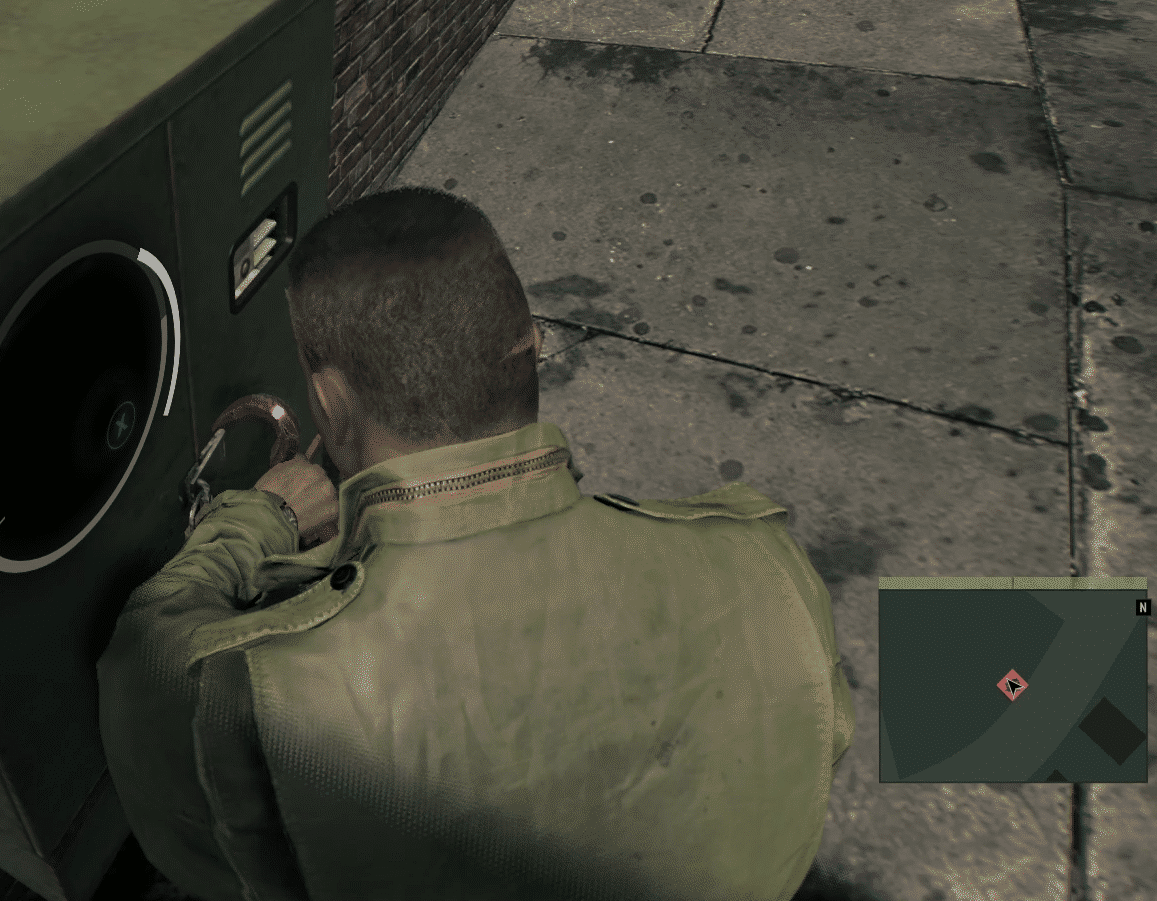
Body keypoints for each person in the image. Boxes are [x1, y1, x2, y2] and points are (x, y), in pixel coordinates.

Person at [96, 186, 853, 901]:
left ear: (328, 401)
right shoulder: (766, 559)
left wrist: (260, 521)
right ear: (533, 347)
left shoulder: (248, 694)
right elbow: (835, 740)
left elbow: (144, 663)